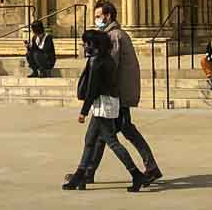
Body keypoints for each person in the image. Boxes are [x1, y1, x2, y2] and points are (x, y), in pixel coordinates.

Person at [78, 1, 162, 187]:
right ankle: (88, 172)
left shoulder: (113, 36)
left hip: (117, 95)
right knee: (112, 132)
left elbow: (109, 67)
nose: (96, 19)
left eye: (99, 16)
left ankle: (144, 170)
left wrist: (98, 92)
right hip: (119, 93)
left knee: (107, 134)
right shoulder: (115, 34)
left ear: (108, 16)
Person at [62, 28, 150, 191]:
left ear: (93, 44)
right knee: (89, 140)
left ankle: (136, 175)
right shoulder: (107, 58)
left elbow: (92, 89)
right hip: (107, 103)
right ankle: (79, 175)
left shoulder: (97, 61)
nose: (84, 46)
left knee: (112, 142)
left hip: (103, 106)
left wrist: (83, 111)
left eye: (86, 43)